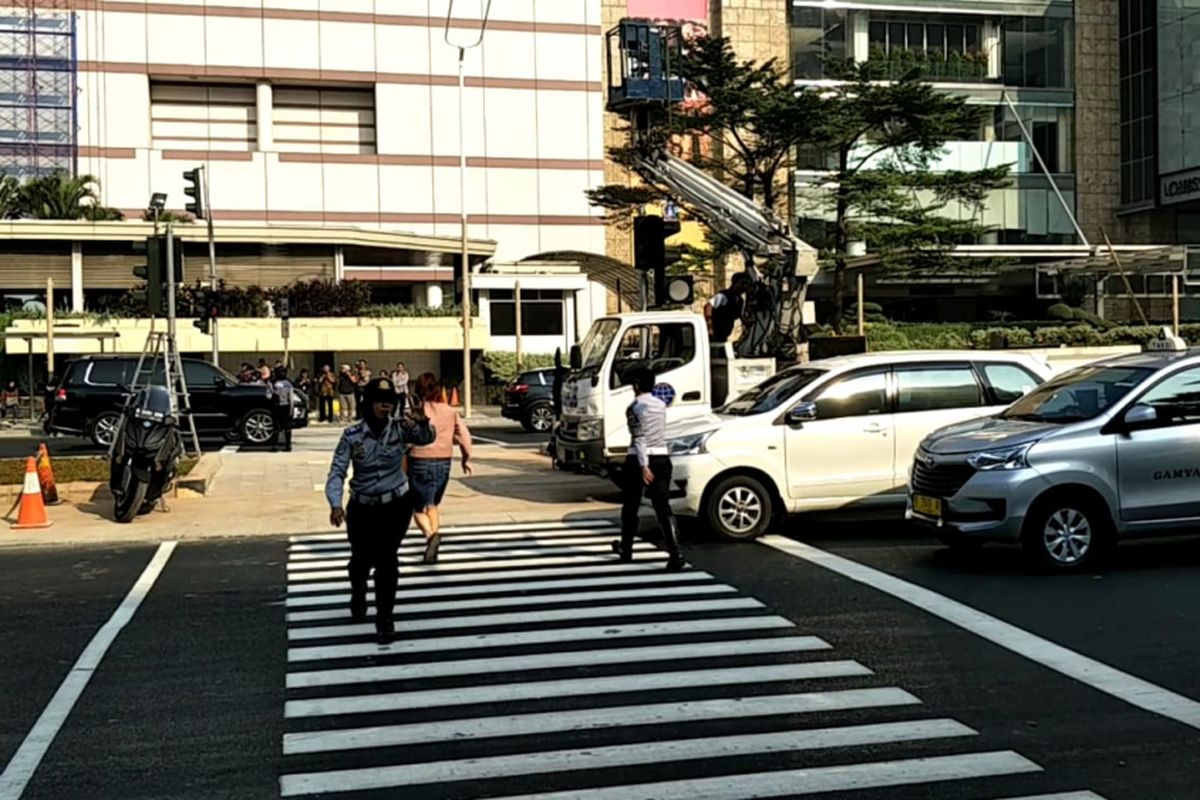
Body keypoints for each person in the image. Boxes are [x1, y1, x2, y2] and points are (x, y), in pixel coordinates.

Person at [325, 376, 435, 645]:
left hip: (395, 505)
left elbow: (426, 438)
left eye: (390, 402)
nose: (385, 407)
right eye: (380, 402)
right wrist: (335, 503)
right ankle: (358, 591)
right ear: (369, 403)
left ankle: (385, 618)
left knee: (387, 561)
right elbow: (337, 471)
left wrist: (423, 421)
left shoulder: (400, 429)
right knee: (361, 560)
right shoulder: (352, 436)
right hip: (362, 508)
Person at [611, 367, 683, 571]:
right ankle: (676, 553)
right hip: (662, 457)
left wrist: (643, 465)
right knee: (663, 507)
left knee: (631, 505)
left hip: (638, 460)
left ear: (636, 386)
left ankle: (626, 549)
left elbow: (639, 437)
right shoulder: (661, 405)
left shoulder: (634, 408)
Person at [407, 372, 473, 564]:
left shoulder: (417, 411)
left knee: (418, 508)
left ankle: (430, 536)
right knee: (433, 504)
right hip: (444, 461)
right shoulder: (450, 411)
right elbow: (464, 436)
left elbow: (406, 440)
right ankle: (433, 543)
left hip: (419, 460)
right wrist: (466, 458)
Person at [704, 272, 752, 345]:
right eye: (743, 283)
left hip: (724, 334)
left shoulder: (740, 301)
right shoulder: (724, 295)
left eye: (747, 284)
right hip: (715, 333)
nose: (745, 286)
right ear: (735, 282)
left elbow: (738, 315)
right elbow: (708, 306)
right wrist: (710, 327)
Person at [271, 366, 294, 452]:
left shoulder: (275, 383)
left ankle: (285, 445)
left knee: (282, 427)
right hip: (280, 406)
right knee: (279, 427)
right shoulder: (287, 383)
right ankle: (283, 445)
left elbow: (268, 395)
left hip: (282, 406)